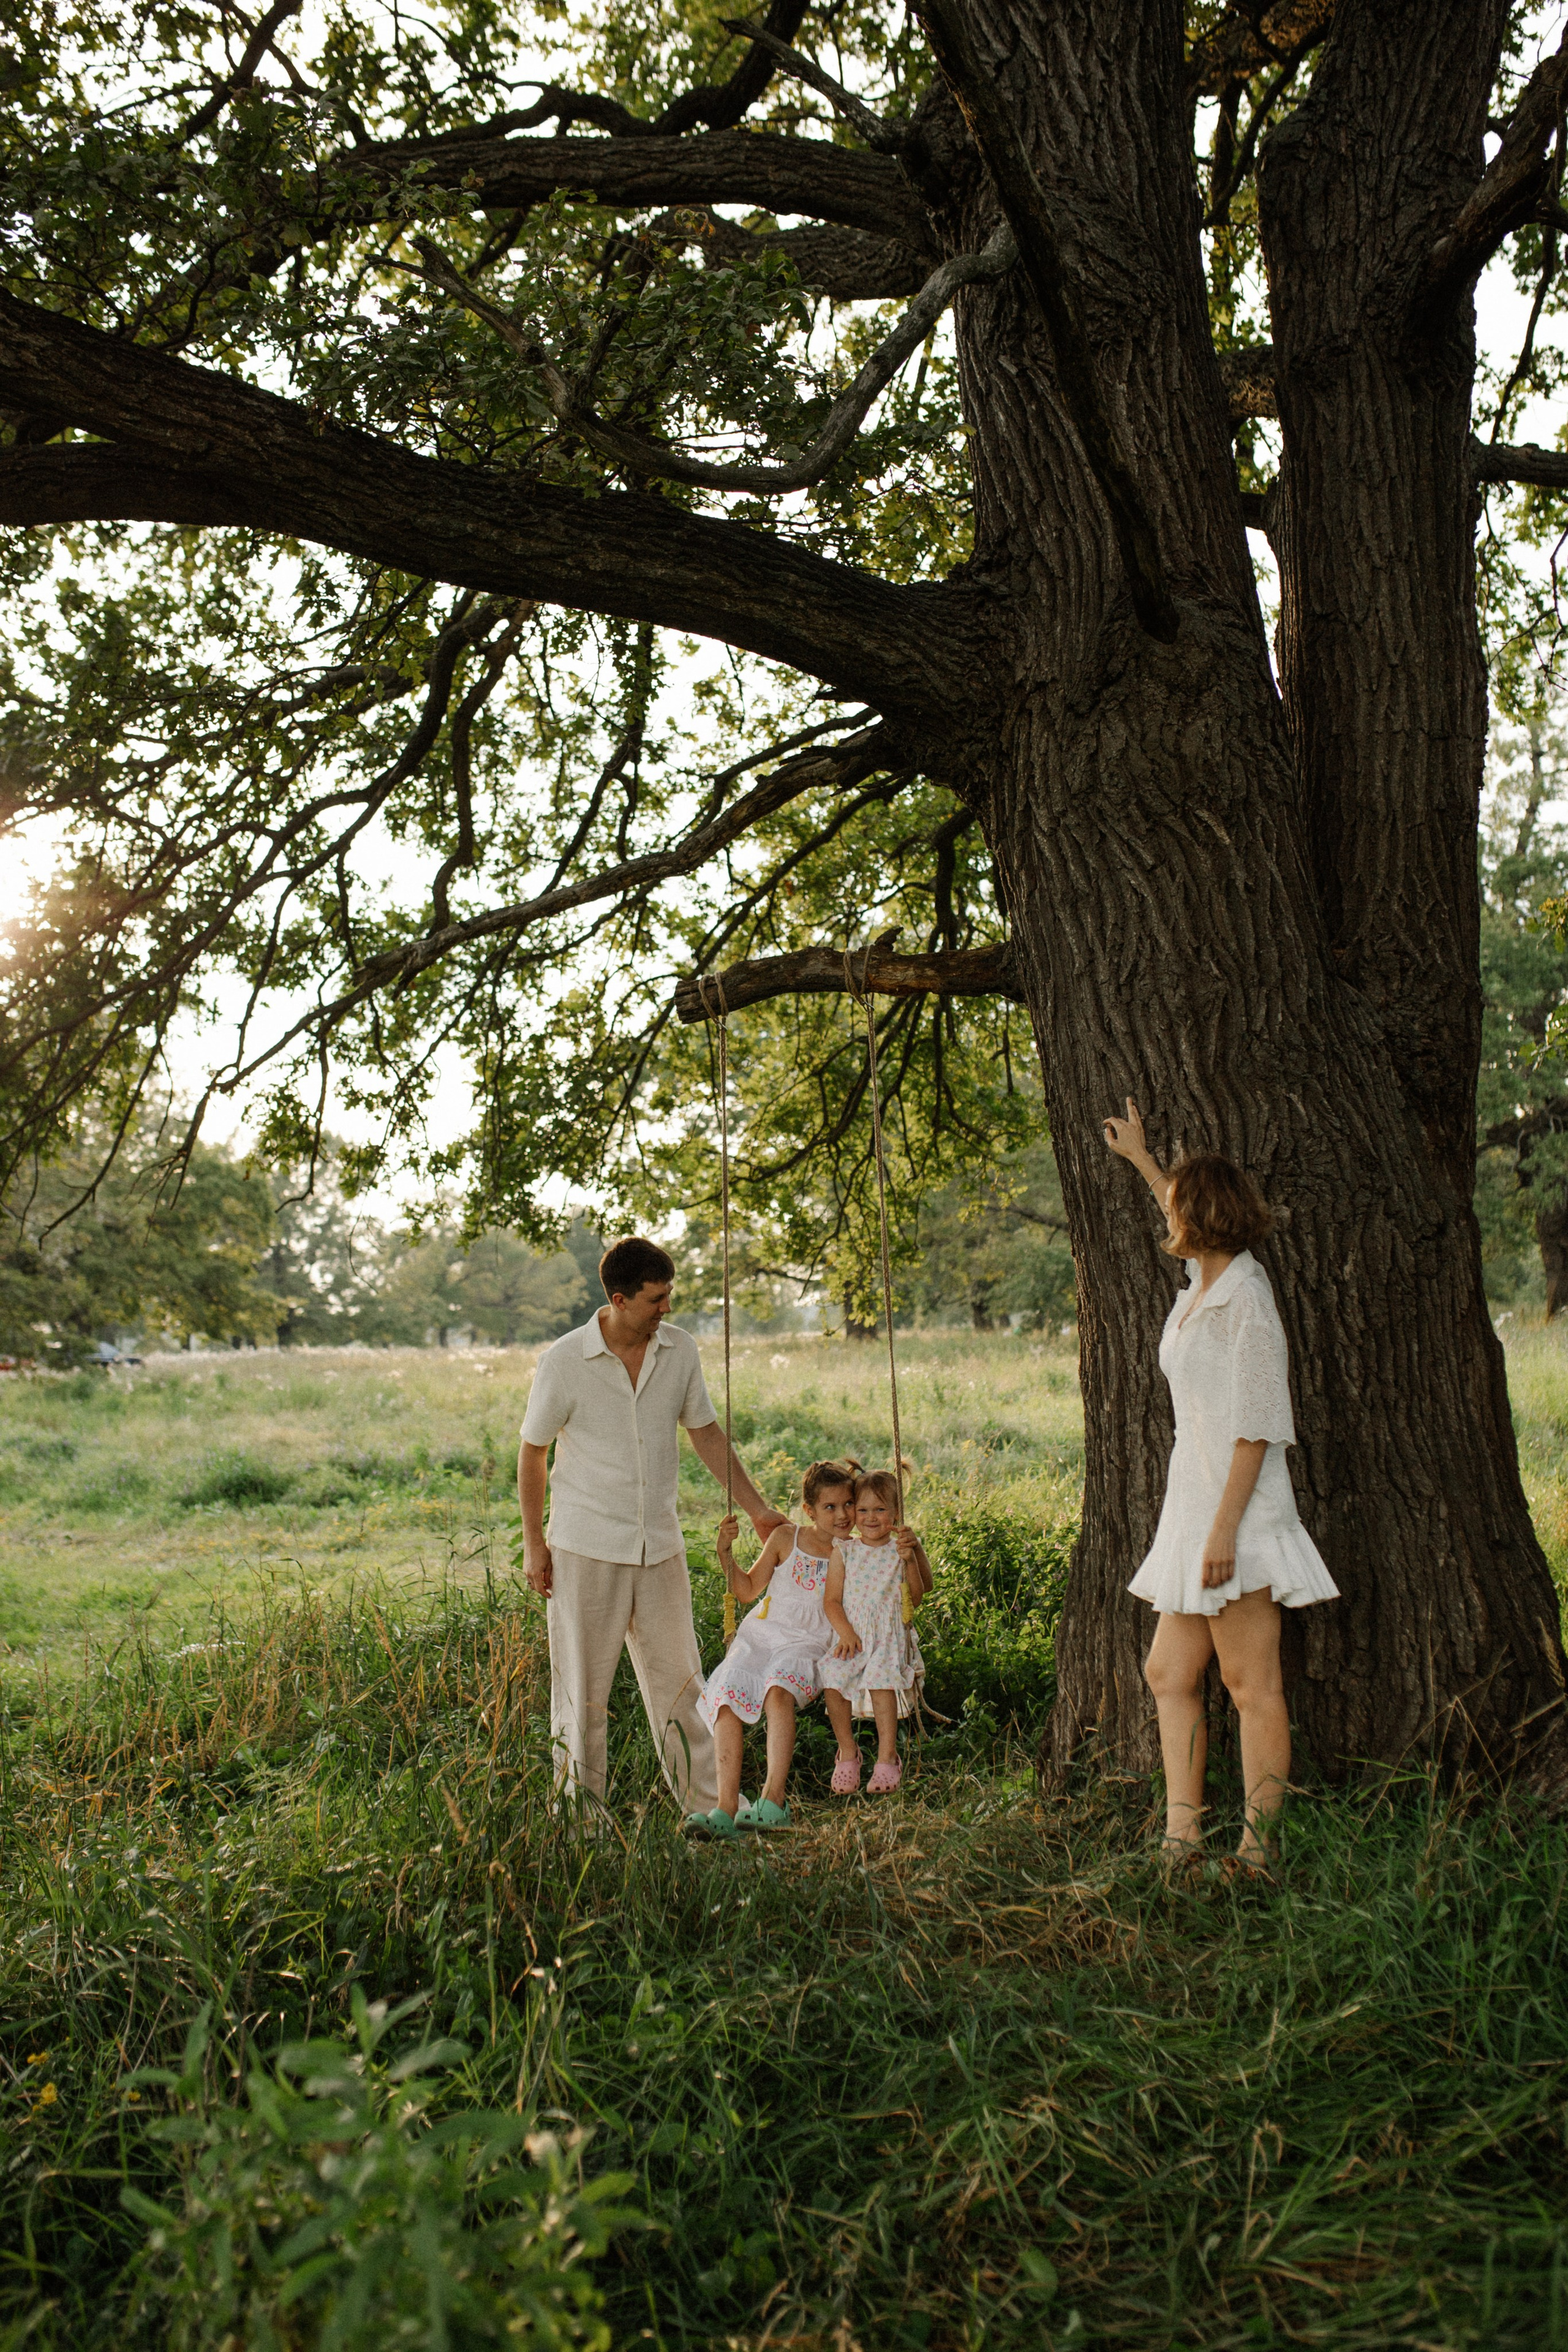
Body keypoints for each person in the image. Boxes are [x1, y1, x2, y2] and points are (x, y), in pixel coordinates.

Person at [1102, 1100, 1338, 1871]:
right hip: (1193, 1504)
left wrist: (1222, 1534)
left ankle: (1257, 1850)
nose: (1171, 1217)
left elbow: (1257, 1428)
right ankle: (1182, 1837)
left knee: (1249, 1683)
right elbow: (1172, 1198)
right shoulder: (1204, 1280)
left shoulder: (1248, 1301)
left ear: (1199, 1222)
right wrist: (1141, 1159)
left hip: (1236, 1514)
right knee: (1168, 1673)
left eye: (1180, 1208)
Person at [518, 1235, 786, 1819]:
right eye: (656, 1299)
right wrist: (534, 1544)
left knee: (684, 1688)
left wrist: (760, 1509)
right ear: (618, 1299)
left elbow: (706, 1433)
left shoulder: (680, 1350)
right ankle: (579, 1828)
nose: (668, 1308)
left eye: (669, 1296)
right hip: (585, 1549)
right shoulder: (563, 1362)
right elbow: (532, 1452)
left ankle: (716, 1811)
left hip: (660, 1547)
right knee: (581, 1699)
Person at [689, 1458, 860, 1840]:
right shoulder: (786, 1539)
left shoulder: (857, 1551)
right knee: (729, 1692)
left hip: (810, 1643)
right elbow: (748, 1590)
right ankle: (725, 1808)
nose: (843, 1514)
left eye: (848, 1504)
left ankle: (773, 1801)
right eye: (830, 1507)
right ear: (809, 1511)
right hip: (762, 1635)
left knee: (778, 1692)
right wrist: (725, 1554)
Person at [818, 1469, 933, 1794]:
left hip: (887, 1635)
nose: (870, 1518)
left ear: (896, 1514)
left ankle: (887, 1759)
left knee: (883, 1684)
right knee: (833, 1679)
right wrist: (845, 1634)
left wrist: (911, 1557)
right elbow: (831, 1601)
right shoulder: (845, 1550)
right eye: (863, 1509)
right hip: (852, 1634)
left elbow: (920, 1593)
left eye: (880, 1510)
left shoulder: (901, 1548)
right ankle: (848, 1753)